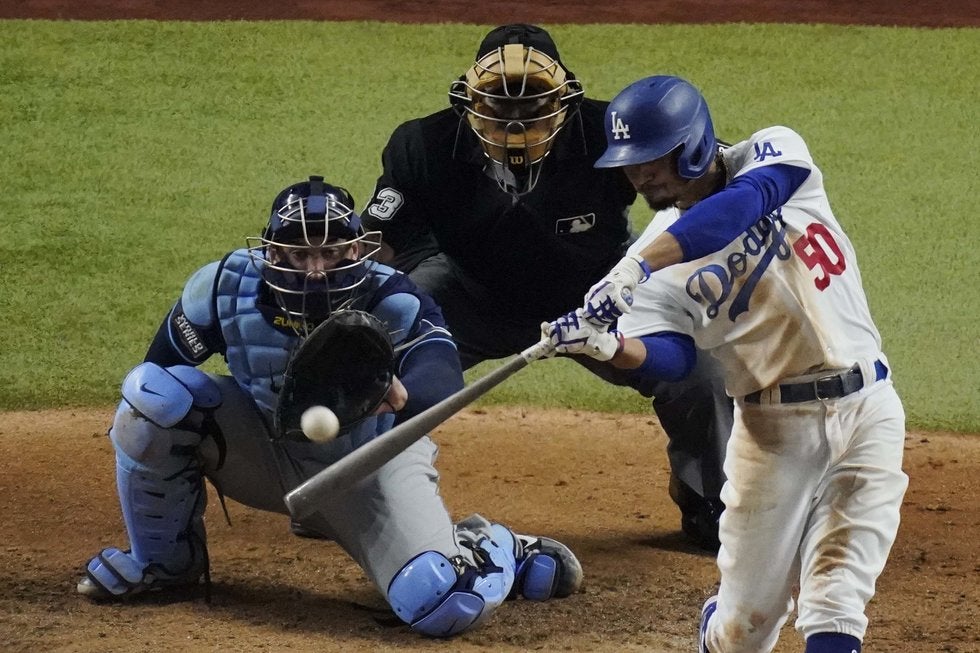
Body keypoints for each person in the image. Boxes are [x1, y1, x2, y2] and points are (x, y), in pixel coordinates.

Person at [77, 175, 584, 638]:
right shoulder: (222, 289)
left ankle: (490, 546)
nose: (316, 270)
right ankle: (165, 563)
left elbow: (441, 376)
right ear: (271, 251)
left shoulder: (392, 298)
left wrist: (393, 390)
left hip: (369, 466)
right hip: (268, 454)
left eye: (333, 253)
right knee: (152, 399)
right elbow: (157, 371)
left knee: (440, 603)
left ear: (357, 251)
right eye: (299, 254)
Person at [543, 76, 907, 653]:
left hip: (869, 410)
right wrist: (609, 348)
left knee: (837, 601)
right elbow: (675, 356)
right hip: (773, 435)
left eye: (651, 159)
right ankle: (718, 630)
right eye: (630, 165)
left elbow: (741, 206)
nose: (640, 177)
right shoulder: (648, 264)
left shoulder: (773, 152)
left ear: (691, 141)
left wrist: (633, 271)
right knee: (745, 630)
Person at [361, 22, 732, 550]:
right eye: (497, 102)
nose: (515, 117)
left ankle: (710, 501)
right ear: (469, 99)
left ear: (566, 98)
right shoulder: (423, 144)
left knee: (699, 371)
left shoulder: (607, 129)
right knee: (375, 346)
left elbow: (696, 182)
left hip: (594, 297)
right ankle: (351, 490)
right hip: (467, 294)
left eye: (532, 101)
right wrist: (345, 299)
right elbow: (379, 242)